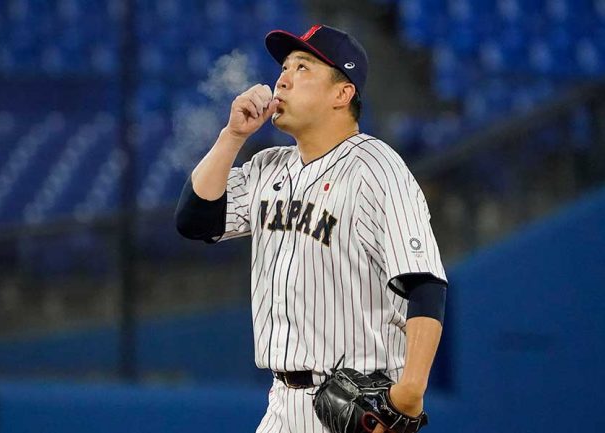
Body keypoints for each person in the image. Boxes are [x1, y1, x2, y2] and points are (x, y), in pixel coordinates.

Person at [175, 24, 447, 433]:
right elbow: (194, 219)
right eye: (284, 66)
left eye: (302, 67)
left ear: (343, 94)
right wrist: (232, 137)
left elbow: (425, 281)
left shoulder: (376, 167)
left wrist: (408, 394)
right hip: (282, 403)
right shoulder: (271, 166)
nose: (282, 78)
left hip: (358, 408)